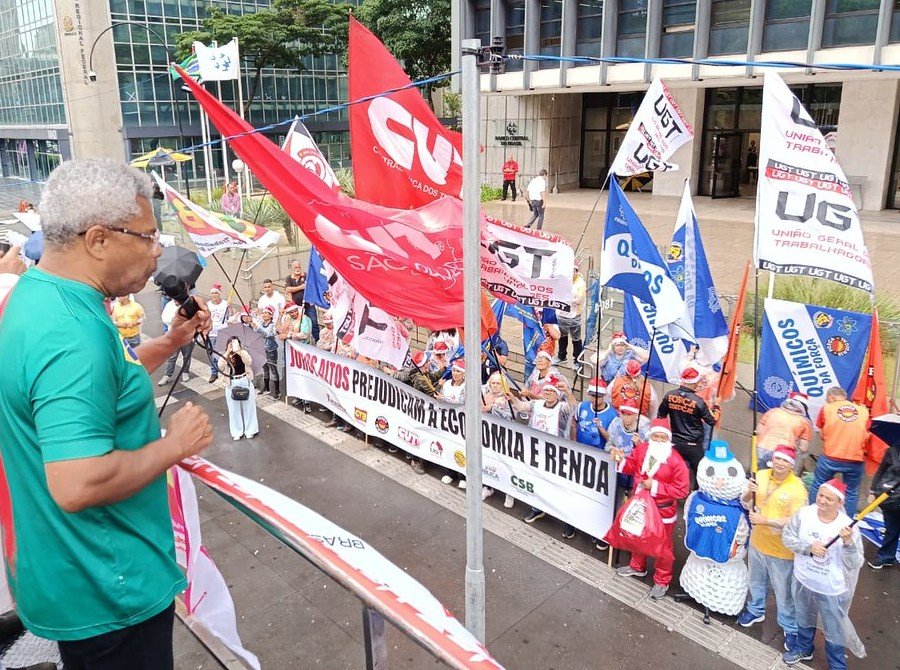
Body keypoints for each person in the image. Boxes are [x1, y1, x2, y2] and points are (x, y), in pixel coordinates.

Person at [0, 158, 213, 669]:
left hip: (69, 575)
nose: (157, 250)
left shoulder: (37, 294)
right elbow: (77, 483)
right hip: (109, 590)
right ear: (98, 239)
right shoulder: (72, 334)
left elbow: (104, 382)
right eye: (146, 237)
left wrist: (171, 341)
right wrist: (173, 446)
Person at [781, 479, 866, 668]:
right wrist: (809, 548)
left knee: (834, 628)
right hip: (803, 580)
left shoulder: (848, 527)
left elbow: (855, 563)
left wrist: (848, 543)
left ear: (840, 502)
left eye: (829, 498)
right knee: (803, 617)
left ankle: (837, 664)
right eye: (820, 495)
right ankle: (804, 648)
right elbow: (787, 537)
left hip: (832, 588)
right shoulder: (804, 514)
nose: (823, 500)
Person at [735, 446, 808, 654]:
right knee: (756, 582)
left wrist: (765, 520)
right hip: (757, 543)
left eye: (785, 461)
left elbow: (795, 521)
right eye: (777, 458)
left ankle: (790, 628)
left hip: (782, 551)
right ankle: (756, 609)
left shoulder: (797, 489)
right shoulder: (761, 475)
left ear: (791, 465)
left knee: (784, 593)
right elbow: (745, 502)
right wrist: (749, 491)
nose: (780, 463)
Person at [610, 417, 691, 599]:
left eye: (663, 437)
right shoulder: (643, 449)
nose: (659, 440)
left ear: (668, 439)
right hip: (641, 505)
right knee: (637, 535)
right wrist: (620, 459)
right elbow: (631, 465)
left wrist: (655, 486)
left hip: (663, 510)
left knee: (663, 546)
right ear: (651, 436)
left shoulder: (676, 461)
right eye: (656, 437)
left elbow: (682, 489)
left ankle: (662, 580)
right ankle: (637, 566)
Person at [512, 376, 574, 528]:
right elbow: (521, 407)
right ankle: (537, 508)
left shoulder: (562, 407)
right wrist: (512, 398)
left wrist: (567, 391)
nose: (547, 393)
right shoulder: (536, 404)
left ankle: (565, 518)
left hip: (556, 454)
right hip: (537, 451)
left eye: (550, 391)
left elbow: (574, 408)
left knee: (557, 485)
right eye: (545, 390)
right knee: (537, 480)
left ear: (557, 394)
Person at [810, 387, 869, 515]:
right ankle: (847, 523)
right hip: (856, 459)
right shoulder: (863, 411)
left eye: (827, 399)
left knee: (819, 485)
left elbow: (821, 433)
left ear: (831, 397)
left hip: (831, 456)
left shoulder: (827, 408)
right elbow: (867, 433)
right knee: (851, 492)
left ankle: (812, 513)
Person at [657, 365, 719, 478]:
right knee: (700, 475)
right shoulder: (699, 402)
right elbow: (712, 420)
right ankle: (694, 493)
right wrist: (717, 406)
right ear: (695, 382)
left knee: (668, 473)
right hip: (693, 445)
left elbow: (660, 416)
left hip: (674, 442)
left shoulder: (669, 395)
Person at [867, 439, 900, 569]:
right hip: (891, 498)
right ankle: (886, 557)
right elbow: (881, 471)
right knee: (891, 529)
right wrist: (873, 491)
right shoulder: (892, 451)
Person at [756, 393, 812, 467]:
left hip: (761, 447)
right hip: (783, 454)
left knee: (759, 473)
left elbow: (758, 430)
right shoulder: (804, 422)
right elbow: (803, 447)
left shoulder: (772, 411)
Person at [220, 336, 259, 441]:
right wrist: (228, 352)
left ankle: (250, 430)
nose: (234, 345)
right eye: (231, 344)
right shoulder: (226, 355)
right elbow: (220, 366)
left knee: (249, 407)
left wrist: (240, 351)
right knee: (233, 409)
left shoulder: (243, 353)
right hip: (231, 382)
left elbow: (249, 362)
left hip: (244, 379)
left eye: (236, 343)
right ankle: (237, 432)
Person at [557, 265, 586, 374]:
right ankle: (561, 356)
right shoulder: (564, 280)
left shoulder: (581, 283)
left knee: (576, 339)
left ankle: (577, 360)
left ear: (576, 271)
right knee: (562, 336)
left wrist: (565, 298)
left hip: (574, 315)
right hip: (562, 314)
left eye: (573, 271)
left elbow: (578, 300)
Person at [285, 259, 319, 343]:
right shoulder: (289, 278)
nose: (297, 269)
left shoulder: (306, 275)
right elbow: (288, 289)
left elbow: (312, 286)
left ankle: (317, 340)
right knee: (299, 324)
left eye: (298, 267)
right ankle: (301, 341)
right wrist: (301, 287)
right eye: (295, 267)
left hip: (309, 305)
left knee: (314, 323)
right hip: (297, 307)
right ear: (292, 268)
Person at [253, 306, 281, 400]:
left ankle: (277, 390)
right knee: (265, 369)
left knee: (273, 369)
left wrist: (258, 329)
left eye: (267, 313)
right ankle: (266, 388)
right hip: (262, 349)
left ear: (271, 315)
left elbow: (268, 334)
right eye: (263, 313)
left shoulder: (272, 325)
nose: (264, 314)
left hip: (271, 350)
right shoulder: (261, 323)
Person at [206, 283, 232, 383]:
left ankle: (226, 371)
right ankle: (214, 372)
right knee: (212, 354)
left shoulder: (225, 304)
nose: (214, 295)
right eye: (212, 293)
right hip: (211, 333)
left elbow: (231, 317)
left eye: (216, 293)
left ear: (219, 294)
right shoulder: (208, 305)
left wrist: (230, 308)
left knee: (224, 353)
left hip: (222, 332)